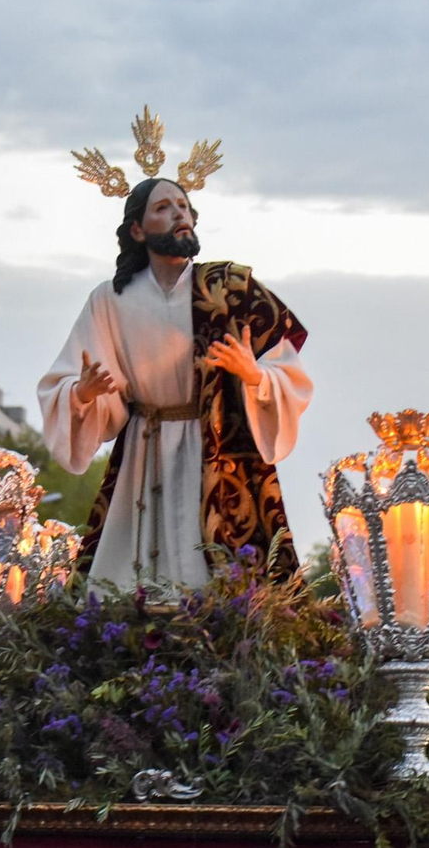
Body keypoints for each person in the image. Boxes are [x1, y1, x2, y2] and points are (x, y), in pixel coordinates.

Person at [42, 115, 312, 588]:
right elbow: (66, 382)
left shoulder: (230, 288)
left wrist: (254, 376)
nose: (181, 215)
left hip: (217, 454)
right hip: (143, 453)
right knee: (125, 586)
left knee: (216, 583)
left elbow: (288, 368)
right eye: (164, 208)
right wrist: (83, 394)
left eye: (184, 206)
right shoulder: (110, 300)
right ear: (139, 230)